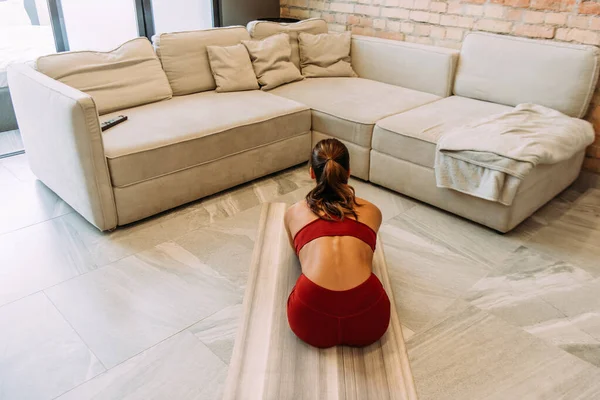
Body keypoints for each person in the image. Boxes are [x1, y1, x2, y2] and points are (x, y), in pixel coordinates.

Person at [284, 138, 391, 348]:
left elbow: (298, 255)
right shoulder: (373, 211)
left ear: (312, 173)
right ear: (348, 171)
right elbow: (368, 256)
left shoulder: (293, 213)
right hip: (371, 321)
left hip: (308, 320)